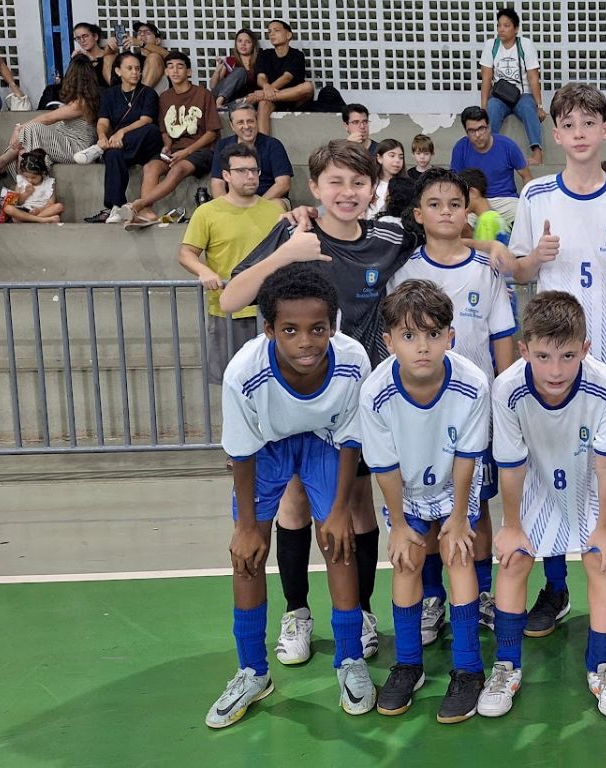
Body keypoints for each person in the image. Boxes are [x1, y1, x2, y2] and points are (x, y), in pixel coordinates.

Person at [222, 140, 417, 667]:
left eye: (359, 183)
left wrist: (496, 250)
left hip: (353, 401)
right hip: (290, 399)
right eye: (335, 182)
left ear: (374, 188)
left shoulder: (389, 235)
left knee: (355, 509)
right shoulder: (294, 231)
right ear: (315, 187)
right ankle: (297, 612)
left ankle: (363, 611)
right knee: (294, 504)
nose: (347, 193)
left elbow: (447, 231)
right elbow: (228, 299)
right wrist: (289, 252)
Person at [507, 82, 606, 638]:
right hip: (553, 363)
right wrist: (533, 260)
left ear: (605, 130)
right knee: (549, 471)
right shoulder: (537, 196)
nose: (580, 133)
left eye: (590, 123)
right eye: (568, 125)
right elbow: (517, 270)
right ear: (557, 133)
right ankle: (556, 588)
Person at [204, 264, 374, 729]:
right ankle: (252, 671)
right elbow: (240, 449)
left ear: (334, 327)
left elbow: (352, 437)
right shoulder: (245, 372)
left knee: (338, 542)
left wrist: (339, 511)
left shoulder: (354, 360)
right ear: (268, 330)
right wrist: (245, 527)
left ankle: (349, 660)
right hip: (265, 448)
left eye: (318, 329)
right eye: (291, 330)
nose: (306, 342)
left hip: (325, 443)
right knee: (247, 555)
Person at [477, 290, 606, 719]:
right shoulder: (507, 388)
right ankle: (506, 666)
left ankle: (602, 666)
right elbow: (510, 466)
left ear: (585, 348)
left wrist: (604, 525)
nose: (556, 370)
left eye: (567, 356)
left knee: (602, 560)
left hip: (586, 481)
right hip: (536, 481)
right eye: (543, 356)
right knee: (513, 560)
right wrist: (510, 525)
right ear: (524, 349)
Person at [385, 168, 517, 645]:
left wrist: (503, 405)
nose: (445, 212)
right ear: (419, 215)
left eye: (454, 204)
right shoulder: (405, 272)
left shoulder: (488, 268)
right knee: (426, 506)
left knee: (473, 509)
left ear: (468, 212)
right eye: (435, 205)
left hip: (475, 414)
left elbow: (503, 338)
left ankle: (480, 592)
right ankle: (434, 596)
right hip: (422, 417)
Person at [361, 280, 491, 722]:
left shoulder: (472, 383)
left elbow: (467, 456)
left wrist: (457, 518)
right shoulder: (375, 392)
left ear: (450, 337)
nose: (422, 347)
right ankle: (409, 665)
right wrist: (397, 524)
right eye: (409, 336)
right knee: (407, 561)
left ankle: (469, 668)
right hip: (407, 490)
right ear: (389, 341)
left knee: (458, 557)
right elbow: (384, 466)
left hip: (455, 486)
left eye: (434, 334)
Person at [178, 145, 285, 385]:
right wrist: (204, 270)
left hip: (271, 310)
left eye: (254, 170)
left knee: (275, 382)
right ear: (226, 175)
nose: (251, 176)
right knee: (232, 382)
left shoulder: (275, 210)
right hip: (228, 310)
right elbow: (186, 253)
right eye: (242, 171)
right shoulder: (207, 212)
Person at [123, 52, 221, 229]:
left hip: (201, 151)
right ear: (166, 72)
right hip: (175, 152)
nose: (175, 70)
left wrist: (186, 152)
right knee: (150, 166)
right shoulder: (164, 98)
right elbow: (164, 131)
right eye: (170, 66)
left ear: (189, 72)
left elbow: (212, 133)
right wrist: (167, 146)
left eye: (180, 66)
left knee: (178, 169)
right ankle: (148, 214)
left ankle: (140, 204)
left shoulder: (203, 94)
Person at [79, 51, 163, 224]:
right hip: (121, 148)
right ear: (118, 71)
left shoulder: (148, 93)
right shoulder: (109, 95)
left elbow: (145, 120)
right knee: (113, 154)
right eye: (130, 68)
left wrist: (122, 133)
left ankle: (100, 149)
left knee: (151, 129)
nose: (135, 72)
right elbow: (103, 122)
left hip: (145, 146)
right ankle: (116, 206)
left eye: (138, 69)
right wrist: (102, 136)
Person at [479, 6, 546, 166]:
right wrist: (483, 107)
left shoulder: (525, 44)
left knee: (529, 110)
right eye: (499, 25)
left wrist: (539, 105)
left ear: (516, 29)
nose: (501, 29)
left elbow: (533, 76)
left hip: (522, 95)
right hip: (500, 96)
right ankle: (487, 153)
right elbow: (486, 77)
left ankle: (537, 154)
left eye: (506, 25)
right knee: (492, 109)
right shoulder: (491, 45)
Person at [8, 55, 99, 164]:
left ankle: (1, 162)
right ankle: (7, 168)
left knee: (33, 129)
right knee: (23, 150)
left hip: (77, 148)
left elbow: (48, 118)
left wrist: (19, 128)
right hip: (65, 142)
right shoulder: (79, 99)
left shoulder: (81, 103)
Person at [450, 105, 531, 226]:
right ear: (466, 131)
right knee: (458, 225)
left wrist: (527, 204)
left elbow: (526, 176)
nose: (477, 135)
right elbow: (454, 182)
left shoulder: (507, 146)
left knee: (524, 221)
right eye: (472, 131)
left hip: (506, 200)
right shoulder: (460, 148)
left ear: (488, 127)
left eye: (481, 128)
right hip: (474, 201)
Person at [208, 102, 292, 206]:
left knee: (277, 205)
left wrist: (256, 206)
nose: (246, 126)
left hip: (268, 199)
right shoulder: (222, 145)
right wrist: (227, 208)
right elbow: (217, 184)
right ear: (232, 126)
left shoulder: (273, 145)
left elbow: (283, 184)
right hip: (234, 201)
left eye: (250, 121)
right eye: (240, 122)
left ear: (257, 121)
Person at [247, 19, 315, 136]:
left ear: (288, 35)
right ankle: (264, 145)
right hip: (272, 99)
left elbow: (286, 78)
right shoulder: (264, 54)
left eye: (276, 30)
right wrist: (266, 87)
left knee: (308, 87)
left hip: (294, 98)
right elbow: (260, 78)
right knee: (263, 104)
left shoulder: (297, 55)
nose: (272, 34)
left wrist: (264, 93)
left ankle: (263, 96)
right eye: (269, 32)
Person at [0, 149, 61, 223]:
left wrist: (39, 210)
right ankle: (42, 220)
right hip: (24, 210)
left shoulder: (49, 183)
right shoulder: (22, 181)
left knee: (59, 206)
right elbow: (17, 202)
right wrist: (26, 194)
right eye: (26, 177)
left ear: (43, 173)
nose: (30, 180)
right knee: (8, 208)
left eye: (33, 178)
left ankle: (29, 219)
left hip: (41, 210)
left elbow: (51, 203)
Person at [106, 22, 168, 89]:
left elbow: (168, 55)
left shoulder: (160, 55)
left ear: (157, 41)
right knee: (110, 58)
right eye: (139, 33)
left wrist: (141, 43)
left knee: (154, 57)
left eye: (147, 33)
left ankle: (140, 95)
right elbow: (106, 57)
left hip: (151, 94)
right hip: (128, 91)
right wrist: (110, 45)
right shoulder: (133, 58)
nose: (142, 34)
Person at [210, 28, 260, 109]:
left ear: (253, 45)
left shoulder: (259, 61)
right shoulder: (229, 61)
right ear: (236, 44)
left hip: (240, 102)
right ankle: (218, 103)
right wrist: (217, 70)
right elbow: (213, 87)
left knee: (245, 101)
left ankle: (225, 107)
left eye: (247, 42)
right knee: (240, 71)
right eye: (240, 41)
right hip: (220, 98)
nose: (243, 44)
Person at [368, 138, 406, 219]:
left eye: (401, 157)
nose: (397, 160)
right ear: (379, 158)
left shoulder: (406, 187)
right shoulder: (369, 183)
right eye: (392, 156)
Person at [68, 23, 112, 88]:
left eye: (85, 36)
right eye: (78, 38)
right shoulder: (80, 58)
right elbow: (70, 83)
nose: (82, 40)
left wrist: (94, 62)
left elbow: (108, 83)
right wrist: (72, 61)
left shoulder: (108, 56)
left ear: (95, 36)